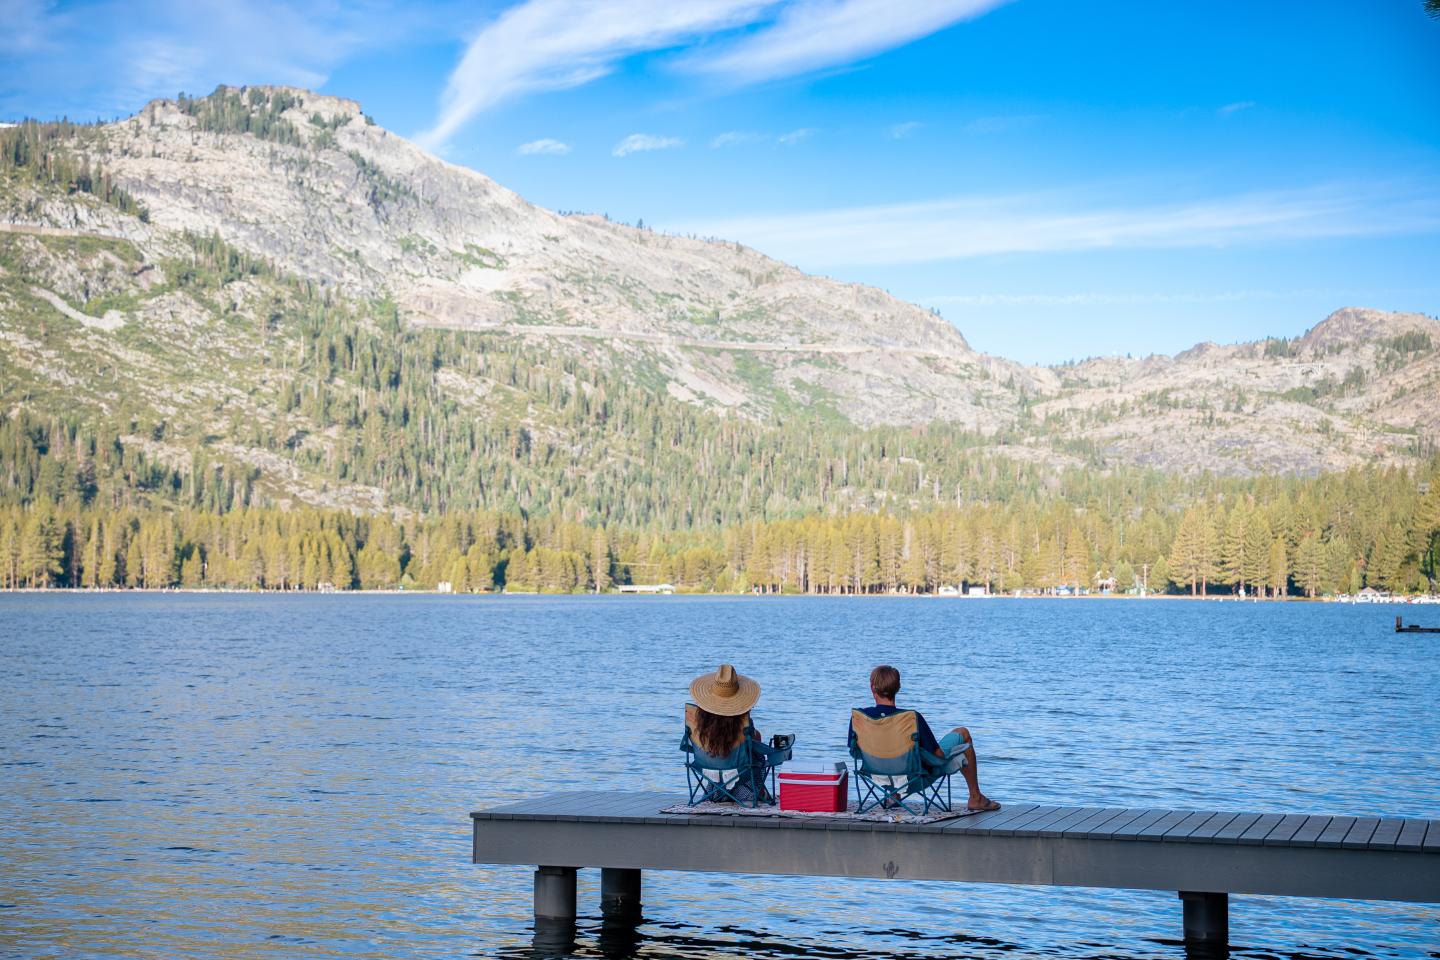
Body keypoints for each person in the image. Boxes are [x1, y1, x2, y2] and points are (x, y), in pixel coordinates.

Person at [852, 664, 999, 812]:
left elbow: (855, 753)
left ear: (872, 688)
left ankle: (894, 793)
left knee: (898, 755)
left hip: (878, 778)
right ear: (898, 688)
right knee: (963, 734)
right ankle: (976, 798)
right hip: (913, 780)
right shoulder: (909, 719)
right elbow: (937, 756)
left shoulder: (860, 718)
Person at [686, 663, 771, 802]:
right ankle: (759, 792)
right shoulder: (745, 726)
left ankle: (721, 792)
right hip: (745, 792)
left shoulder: (699, 726)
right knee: (755, 754)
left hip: (712, 789)